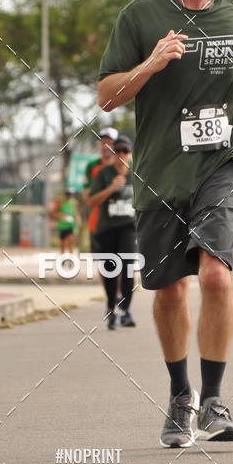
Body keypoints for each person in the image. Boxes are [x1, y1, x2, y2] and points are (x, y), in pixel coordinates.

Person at [96, 0, 233, 447]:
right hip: (159, 174)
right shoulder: (140, 16)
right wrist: (151, 62)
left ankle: (215, 398)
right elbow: (106, 97)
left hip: (222, 163)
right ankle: (180, 397)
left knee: (216, 274)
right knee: (168, 291)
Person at [88, 135, 137, 329]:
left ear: (131, 153)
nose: (122, 155)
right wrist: (112, 187)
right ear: (113, 154)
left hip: (128, 227)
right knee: (110, 270)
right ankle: (111, 308)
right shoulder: (104, 174)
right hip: (107, 228)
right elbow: (91, 201)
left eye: (126, 151)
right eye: (118, 151)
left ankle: (125, 310)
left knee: (128, 267)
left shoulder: (137, 174)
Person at [84, 128, 118, 251]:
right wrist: (109, 190)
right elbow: (87, 198)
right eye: (103, 142)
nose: (106, 146)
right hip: (98, 223)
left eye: (110, 143)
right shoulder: (92, 166)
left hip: (122, 223)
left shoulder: (125, 164)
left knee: (125, 264)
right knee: (104, 266)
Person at [53, 189, 79, 254]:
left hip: (71, 225)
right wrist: (62, 217)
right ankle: (62, 257)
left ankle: (71, 258)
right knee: (63, 244)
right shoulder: (61, 202)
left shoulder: (74, 202)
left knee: (71, 241)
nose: (69, 196)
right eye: (67, 194)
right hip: (62, 226)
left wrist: (78, 219)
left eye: (70, 195)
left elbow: (75, 212)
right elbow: (54, 213)